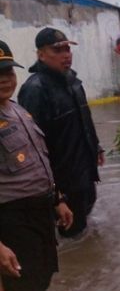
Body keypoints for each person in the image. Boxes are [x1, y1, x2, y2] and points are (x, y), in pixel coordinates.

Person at [0, 39, 72, 291]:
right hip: (11, 222)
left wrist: (57, 200)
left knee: (41, 280)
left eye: (7, 71)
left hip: (39, 214)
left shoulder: (17, 110)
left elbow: (38, 162)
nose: (5, 79)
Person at [18, 27, 104, 239]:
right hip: (63, 180)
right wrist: (55, 194)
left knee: (86, 226)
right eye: (57, 50)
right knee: (71, 235)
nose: (66, 55)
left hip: (84, 170)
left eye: (67, 49)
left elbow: (85, 120)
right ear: (41, 54)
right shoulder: (35, 90)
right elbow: (31, 146)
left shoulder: (73, 83)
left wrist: (96, 147)